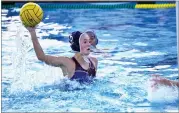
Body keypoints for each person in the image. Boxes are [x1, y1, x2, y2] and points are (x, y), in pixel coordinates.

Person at [26, 27, 98, 83]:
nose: (89, 44)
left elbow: (41, 57)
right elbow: (41, 57)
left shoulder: (93, 62)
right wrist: (32, 32)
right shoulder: (68, 63)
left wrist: (32, 32)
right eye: (85, 41)